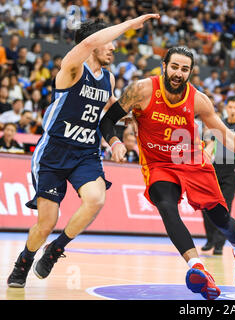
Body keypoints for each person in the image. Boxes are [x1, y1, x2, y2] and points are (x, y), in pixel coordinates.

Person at [99, 46, 235, 300]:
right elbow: (107, 121)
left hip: (192, 161)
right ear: (164, 66)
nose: (178, 73)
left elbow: (227, 137)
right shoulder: (142, 90)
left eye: (184, 69)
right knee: (166, 206)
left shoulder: (198, 100)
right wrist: (115, 143)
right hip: (158, 163)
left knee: (221, 219)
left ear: (191, 72)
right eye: (174, 67)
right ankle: (197, 267)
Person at [7, 14, 160, 289]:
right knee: (46, 223)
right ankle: (24, 260)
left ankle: (56, 249)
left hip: (85, 152)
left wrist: (126, 124)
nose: (114, 47)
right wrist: (129, 24)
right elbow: (89, 41)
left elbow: (109, 108)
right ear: (94, 44)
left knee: (96, 199)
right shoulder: (73, 68)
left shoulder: (108, 78)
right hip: (54, 151)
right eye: (109, 41)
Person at [201, 96, 235, 255]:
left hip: (232, 169)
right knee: (206, 204)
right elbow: (211, 143)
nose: (233, 110)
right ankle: (210, 239)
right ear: (226, 108)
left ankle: (219, 244)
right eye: (230, 107)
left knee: (225, 207)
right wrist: (204, 156)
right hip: (215, 166)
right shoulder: (218, 122)